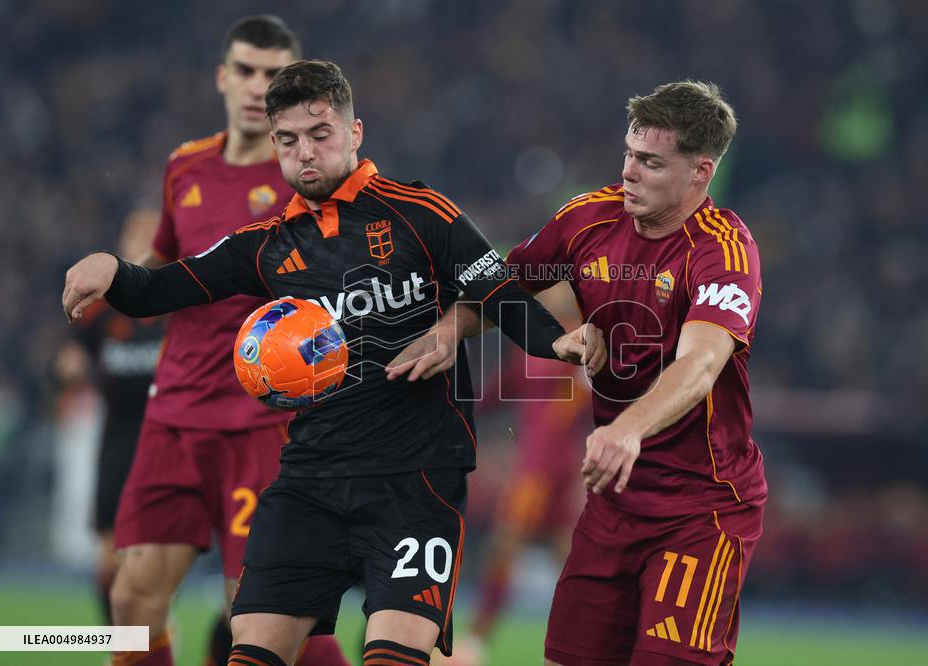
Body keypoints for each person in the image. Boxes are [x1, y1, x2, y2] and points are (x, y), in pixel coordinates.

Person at [63, 59, 605, 666]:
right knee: (251, 655)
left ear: (355, 133)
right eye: (290, 141)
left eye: (321, 135)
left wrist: (556, 343)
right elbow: (161, 289)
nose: (307, 153)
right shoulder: (265, 245)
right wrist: (114, 271)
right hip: (308, 485)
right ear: (275, 147)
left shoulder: (423, 214)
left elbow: (498, 292)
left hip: (416, 482)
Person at [391, 80, 767, 666]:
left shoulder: (724, 250)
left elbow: (703, 361)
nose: (630, 173)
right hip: (612, 501)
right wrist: (444, 333)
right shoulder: (589, 219)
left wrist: (627, 428)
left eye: (650, 162)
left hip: (701, 508)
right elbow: (501, 286)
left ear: (701, 171)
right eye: (628, 154)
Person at [93, 17, 345, 666]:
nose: (258, 87)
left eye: (274, 75)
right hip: (173, 413)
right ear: (223, 77)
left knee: (260, 614)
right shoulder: (185, 165)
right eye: (247, 71)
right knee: (131, 599)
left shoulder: (308, 181)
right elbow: (165, 262)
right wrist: (117, 279)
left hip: (260, 424)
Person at [443, 283, 591, 666]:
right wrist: (455, 414)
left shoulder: (584, 346)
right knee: (569, 561)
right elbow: (493, 396)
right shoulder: (537, 345)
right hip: (547, 470)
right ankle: (599, 640)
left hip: (543, 472)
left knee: (511, 549)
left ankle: (475, 642)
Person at [52, 208, 164, 627]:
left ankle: (153, 636)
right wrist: (67, 366)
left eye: (151, 233)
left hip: (172, 439)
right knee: (110, 555)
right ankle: (119, 641)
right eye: (136, 232)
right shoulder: (103, 308)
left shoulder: (180, 303)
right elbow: (68, 356)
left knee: (159, 560)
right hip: (117, 440)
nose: (143, 240)